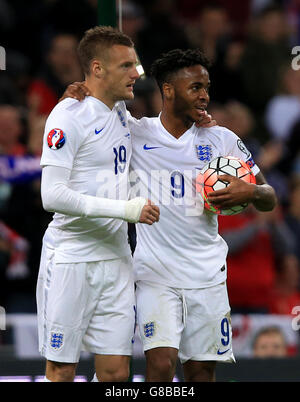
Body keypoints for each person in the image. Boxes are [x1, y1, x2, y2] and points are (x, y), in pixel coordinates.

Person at [63, 48, 277, 382]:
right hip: (155, 273)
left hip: (207, 275)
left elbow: (270, 197)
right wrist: (75, 94)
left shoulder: (222, 139)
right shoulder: (136, 133)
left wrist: (251, 192)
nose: (204, 95)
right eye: (195, 87)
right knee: (161, 364)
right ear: (168, 90)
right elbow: (91, 116)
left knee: (201, 372)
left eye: (206, 87)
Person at [36, 26, 160, 382]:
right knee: (61, 371)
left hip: (117, 258)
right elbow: (52, 196)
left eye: (135, 64)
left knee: (116, 373)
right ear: (97, 68)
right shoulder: (67, 116)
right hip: (72, 258)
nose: (137, 73)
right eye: (126, 66)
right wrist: (126, 210)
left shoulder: (121, 112)